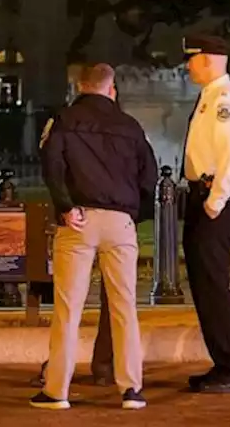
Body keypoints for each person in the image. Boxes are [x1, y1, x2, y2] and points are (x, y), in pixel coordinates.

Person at [30, 63, 156, 411]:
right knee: (124, 308)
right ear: (111, 89)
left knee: (68, 310)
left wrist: (66, 207)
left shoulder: (64, 121)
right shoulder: (130, 127)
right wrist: (133, 214)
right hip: (120, 222)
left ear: (80, 87)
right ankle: (131, 389)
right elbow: (149, 178)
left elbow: (51, 166)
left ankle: (57, 390)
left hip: (79, 221)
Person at [181, 34, 230, 393]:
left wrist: (213, 203)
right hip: (203, 200)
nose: (187, 65)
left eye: (192, 59)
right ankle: (225, 364)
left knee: (213, 288)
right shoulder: (210, 97)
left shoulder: (225, 100)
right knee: (205, 288)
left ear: (208, 59)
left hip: (215, 203)